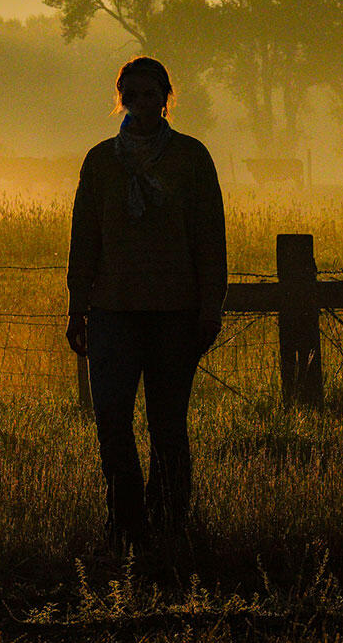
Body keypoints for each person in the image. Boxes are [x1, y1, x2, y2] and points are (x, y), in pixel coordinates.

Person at [65, 57, 226, 547]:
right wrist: (77, 306)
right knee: (112, 420)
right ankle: (126, 523)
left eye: (149, 94)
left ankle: (172, 523)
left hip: (175, 314)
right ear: (121, 99)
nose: (140, 103)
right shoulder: (100, 162)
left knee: (168, 425)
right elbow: (84, 238)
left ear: (166, 97)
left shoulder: (192, 158)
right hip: (111, 312)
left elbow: (210, 239)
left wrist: (210, 307)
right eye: (130, 95)